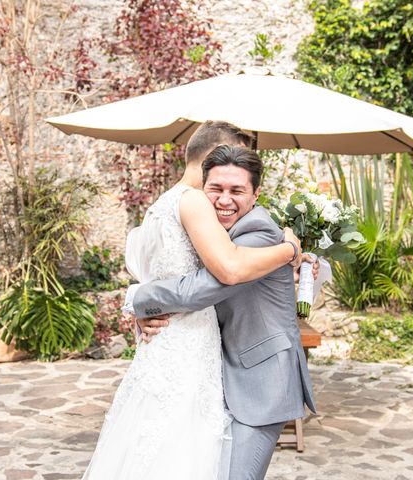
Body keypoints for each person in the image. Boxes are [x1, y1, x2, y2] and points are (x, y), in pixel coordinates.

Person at [81, 121, 303, 480]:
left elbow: (172, 274)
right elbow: (225, 271)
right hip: (188, 348)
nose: (225, 196)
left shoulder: (160, 206)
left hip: (185, 349)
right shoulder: (194, 202)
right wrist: (290, 248)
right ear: (213, 159)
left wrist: (142, 301)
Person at [131, 145, 317, 480]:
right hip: (220, 374)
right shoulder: (216, 232)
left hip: (261, 379)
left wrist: (138, 298)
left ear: (256, 194)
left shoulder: (258, 231)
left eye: (237, 191)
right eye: (215, 189)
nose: (224, 200)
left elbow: (204, 288)